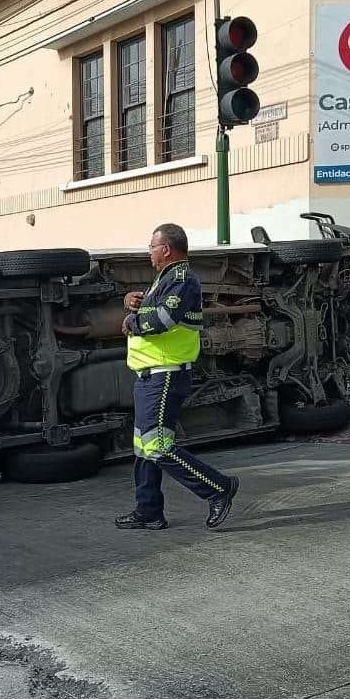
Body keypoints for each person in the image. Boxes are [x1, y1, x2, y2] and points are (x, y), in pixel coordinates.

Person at [114, 223, 239, 531]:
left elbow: (163, 320)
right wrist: (133, 300)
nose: (149, 252)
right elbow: (154, 308)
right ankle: (149, 511)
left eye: (151, 246)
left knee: (156, 445)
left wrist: (132, 318)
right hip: (149, 375)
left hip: (165, 374)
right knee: (143, 447)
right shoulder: (164, 280)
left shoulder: (183, 279)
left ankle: (218, 488)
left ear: (166, 249)